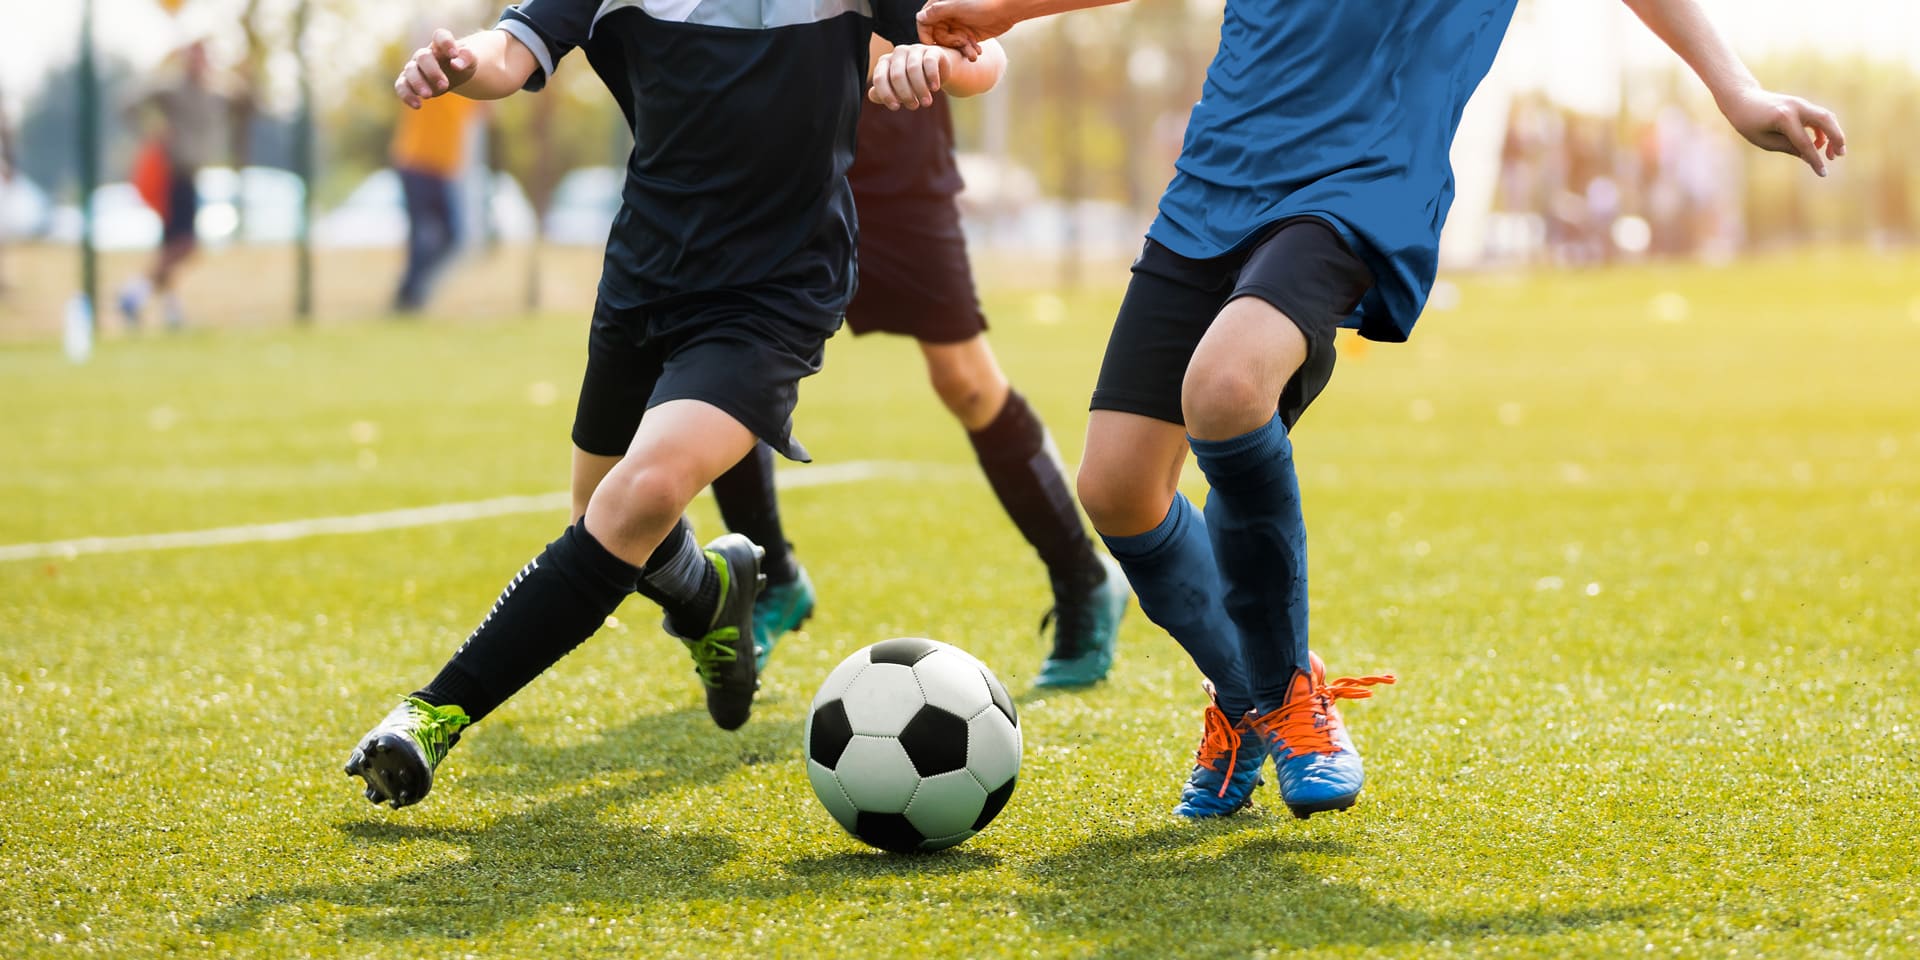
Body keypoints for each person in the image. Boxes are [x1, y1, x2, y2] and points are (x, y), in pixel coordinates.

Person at [915, 0, 1845, 819]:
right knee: (1117, 488)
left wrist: (1738, 91)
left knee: (1228, 388)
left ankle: (1286, 702)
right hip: (1218, 173)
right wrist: (1011, 8)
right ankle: (1250, 698)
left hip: (1360, 181)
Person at [344, 1, 1004, 810]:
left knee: (642, 496)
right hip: (646, 274)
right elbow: (508, 55)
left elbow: (979, 57)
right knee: (602, 514)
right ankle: (709, 593)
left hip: (778, 288)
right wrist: (456, 65)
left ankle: (431, 715)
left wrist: (930, 63)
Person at [708, 36, 1128, 690]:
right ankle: (775, 579)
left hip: (898, 173)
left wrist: (943, 62)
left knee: (964, 380)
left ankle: (1084, 575)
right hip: (778, 171)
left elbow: (981, 54)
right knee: (731, 365)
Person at [117, 41, 232, 331]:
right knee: (186, 245)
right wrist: (152, 130)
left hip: (193, 174)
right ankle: (133, 295)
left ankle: (170, 311)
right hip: (173, 175)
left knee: (170, 246)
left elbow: (244, 99)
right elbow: (129, 103)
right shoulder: (171, 88)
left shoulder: (213, 91)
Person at [390, 93, 482, 313]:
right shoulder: (436, 75)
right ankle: (410, 296)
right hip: (417, 162)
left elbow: (484, 111)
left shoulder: (472, 83)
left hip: (443, 169)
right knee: (424, 235)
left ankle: (412, 293)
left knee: (451, 236)